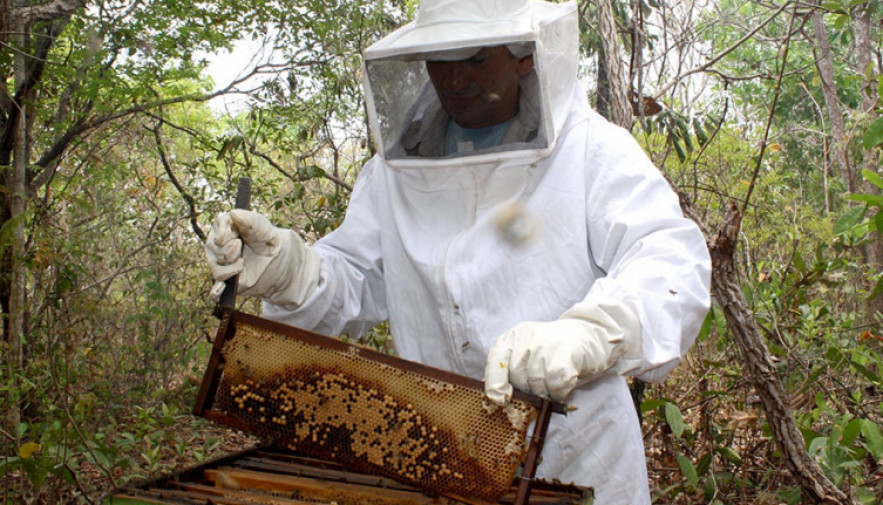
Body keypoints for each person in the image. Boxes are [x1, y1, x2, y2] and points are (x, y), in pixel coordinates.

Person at [204, 1, 712, 503]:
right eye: (439, 60)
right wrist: (291, 272)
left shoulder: (591, 150)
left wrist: (593, 332)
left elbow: (669, 259)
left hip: (574, 456)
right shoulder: (395, 171)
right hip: (439, 455)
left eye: (473, 59)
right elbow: (356, 276)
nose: (453, 80)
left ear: (525, 55)